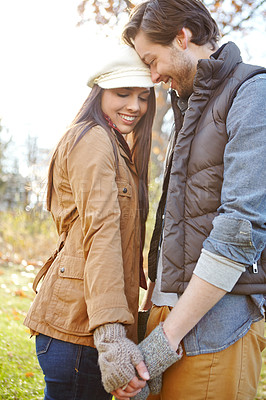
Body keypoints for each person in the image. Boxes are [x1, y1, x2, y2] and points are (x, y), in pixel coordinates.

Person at [121, 0, 266, 399]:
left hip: (215, 331)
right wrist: (153, 320)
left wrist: (165, 340)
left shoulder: (252, 93)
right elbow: (172, 226)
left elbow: (241, 231)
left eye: (152, 60)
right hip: (170, 322)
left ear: (182, 38)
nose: (152, 76)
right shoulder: (187, 109)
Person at [23, 43, 157, 400]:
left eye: (143, 96)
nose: (135, 106)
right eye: (123, 93)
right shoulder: (94, 139)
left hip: (87, 324)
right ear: (99, 92)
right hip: (80, 332)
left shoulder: (113, 143)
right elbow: (101, 233)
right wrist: (112, 338)